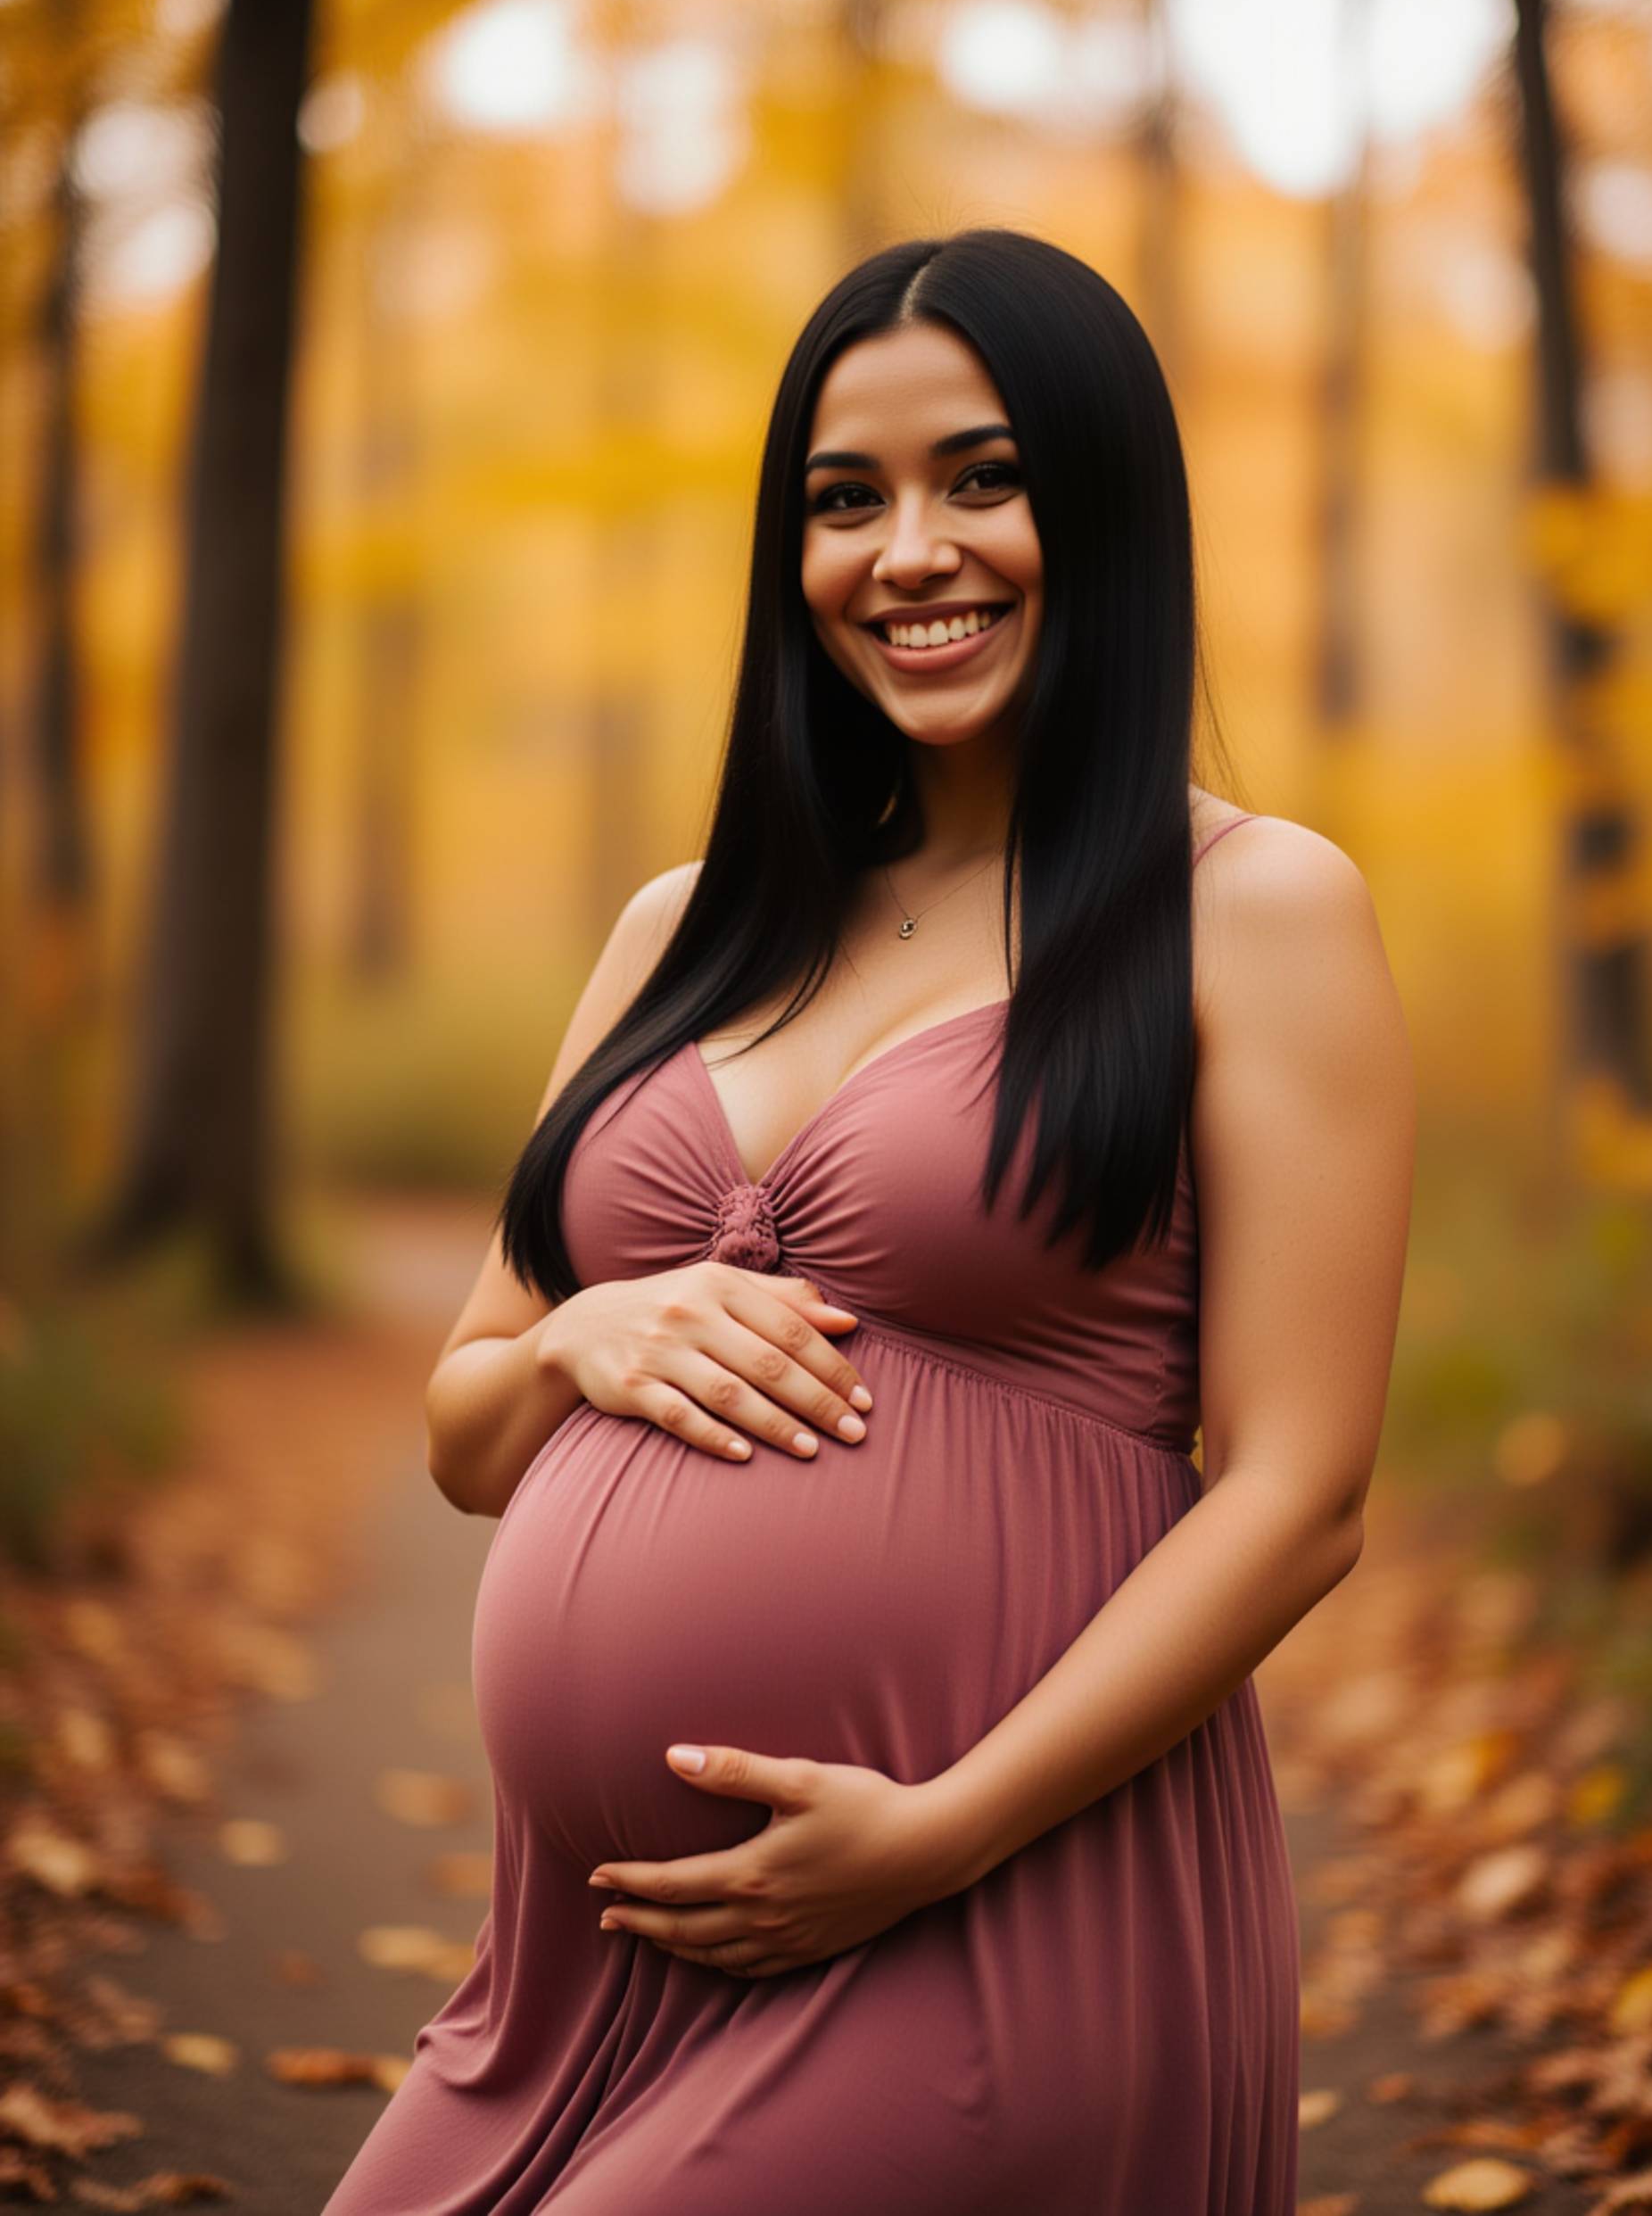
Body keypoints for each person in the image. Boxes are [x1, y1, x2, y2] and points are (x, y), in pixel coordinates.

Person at [323, 226, 1416, 2214]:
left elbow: (1297, 1489)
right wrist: (573, 1335)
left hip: (993, 1912)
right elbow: (465, 1430)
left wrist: (934, 1832)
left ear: (1101, 501)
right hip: (570, 1976)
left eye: (980, 478)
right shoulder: (687, 926)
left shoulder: (1252, 912)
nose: (909, 549)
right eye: (846, 500)